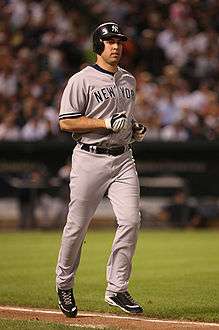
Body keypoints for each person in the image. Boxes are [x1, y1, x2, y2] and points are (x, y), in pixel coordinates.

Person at [55, 22, 147, 318]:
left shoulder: (129, 80)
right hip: (90, 158)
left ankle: (117, 288)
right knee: (76, 227)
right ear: (98, 46)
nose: (116, 46)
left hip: (123, 158)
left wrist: (134, 129)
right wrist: (105, 124)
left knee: (131, 221)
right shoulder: (82, 80)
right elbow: (66, 122)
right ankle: (64, 283)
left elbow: (123, 119)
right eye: (109, 41)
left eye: (119, 41)